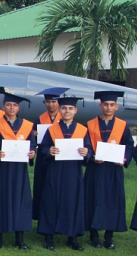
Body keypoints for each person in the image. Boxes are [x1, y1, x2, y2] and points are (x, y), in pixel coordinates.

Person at [37, 96, 92, 251]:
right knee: (51, 201)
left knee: (72, 203)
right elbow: (43, 149)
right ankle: (49, 237)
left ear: (75, 111)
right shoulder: (52, 129)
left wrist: (86, 152)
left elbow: (89, 150)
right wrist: (49, 151)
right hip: (55, 171)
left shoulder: (82, 130)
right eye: (64, 108)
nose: (67, 111)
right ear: (60, 110)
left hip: (73, 172)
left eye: (70, 108)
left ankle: (72, 237)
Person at [0, 92, 36, 250]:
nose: (11, 108)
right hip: (0, 169)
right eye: (8, 105)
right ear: (3, 106)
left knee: (20, 200)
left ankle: (19, 238)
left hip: (19, 170)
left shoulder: (27, 125)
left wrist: (32, 152)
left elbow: (32, 145)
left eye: (14, 105)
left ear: (18, 107)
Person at [84, 91, 134, 250]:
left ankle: (108, 237)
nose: (108, 107)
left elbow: (129, 145)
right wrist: (92, 158)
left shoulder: (122, 125)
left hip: (113, 170)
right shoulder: (90, 124)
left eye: (112, 105)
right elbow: (86, 146)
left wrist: (125, 158)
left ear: (116, 107)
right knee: (93, 200)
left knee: (112, 201)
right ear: (100, 106)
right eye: (105, 104)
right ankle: (93, 236)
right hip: (96, 169)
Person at [32, 87, 65, 221]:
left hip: (61, 159)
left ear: (58, 103)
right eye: (48, 102)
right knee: (42, 186)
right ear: (45, 103)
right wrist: (33, 135)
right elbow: (33, 141)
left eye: (53, 102)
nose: (51, 104)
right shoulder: (39, 119)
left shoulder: (65, 118)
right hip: (44, 158)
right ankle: (41, 216)